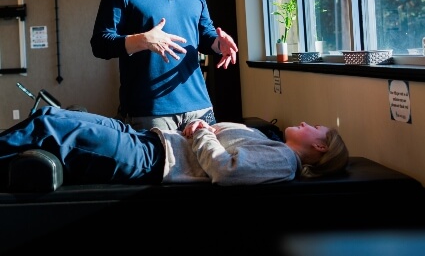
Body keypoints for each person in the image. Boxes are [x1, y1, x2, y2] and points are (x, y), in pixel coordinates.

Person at [90, 0, 238, 131]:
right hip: (150, 112)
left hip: (200, 108)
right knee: (162, 167)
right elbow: (100, 45)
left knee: (208, 165)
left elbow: (204, 35)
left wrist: (218, 44)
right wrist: (142, 40)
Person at [0, 107, 349, 187]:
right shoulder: (277, 148)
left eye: (312, 127)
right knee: (48, 114)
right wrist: (200, 131)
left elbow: (228, 170)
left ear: (320, 146)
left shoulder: (285, 160)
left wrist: (200, 132)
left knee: (49, 127)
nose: (305, 124)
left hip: (150, 159)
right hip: (151, 141)